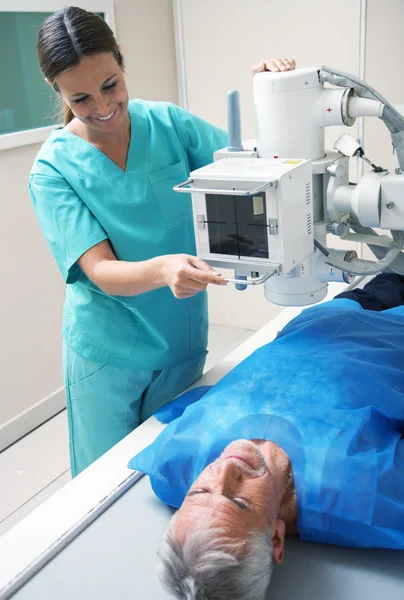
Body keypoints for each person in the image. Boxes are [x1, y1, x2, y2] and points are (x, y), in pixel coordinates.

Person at [30, 4, 295, 476]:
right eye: (81, 98)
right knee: (102, 484)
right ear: (58, 91)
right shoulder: (53, 168)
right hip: (107, 351)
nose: (103, 107)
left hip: (180, 335)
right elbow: (99, 270)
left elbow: (255, 166)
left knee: (171, 469)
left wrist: (273, 96)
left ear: (122, 61)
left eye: (110, 85)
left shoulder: (169, 124)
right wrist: (164, 269)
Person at [129, 273, 404, 599]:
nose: (227, 469)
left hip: (324, 318)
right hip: (395, 333)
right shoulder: (363, 494)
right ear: (276, 538)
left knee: (389, 277)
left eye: (200, 490)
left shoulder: (171, 468)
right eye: (239, 500)